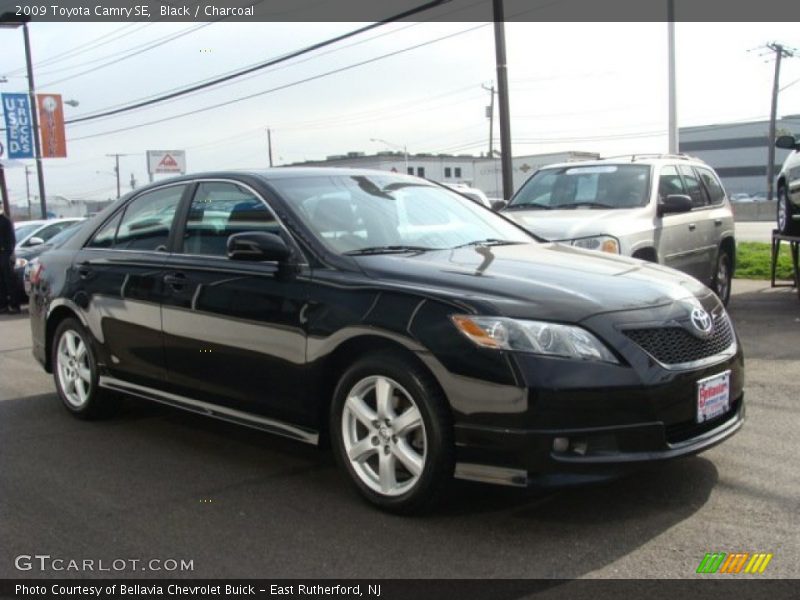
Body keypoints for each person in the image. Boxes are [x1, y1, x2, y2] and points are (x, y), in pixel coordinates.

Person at [0, 209, 21, 314]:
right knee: (1, 282)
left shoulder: (6, 221)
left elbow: (12, 239)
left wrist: (9, 252)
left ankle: (14, 305)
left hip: (5, 254)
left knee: (9, 281)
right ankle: (3, 305)